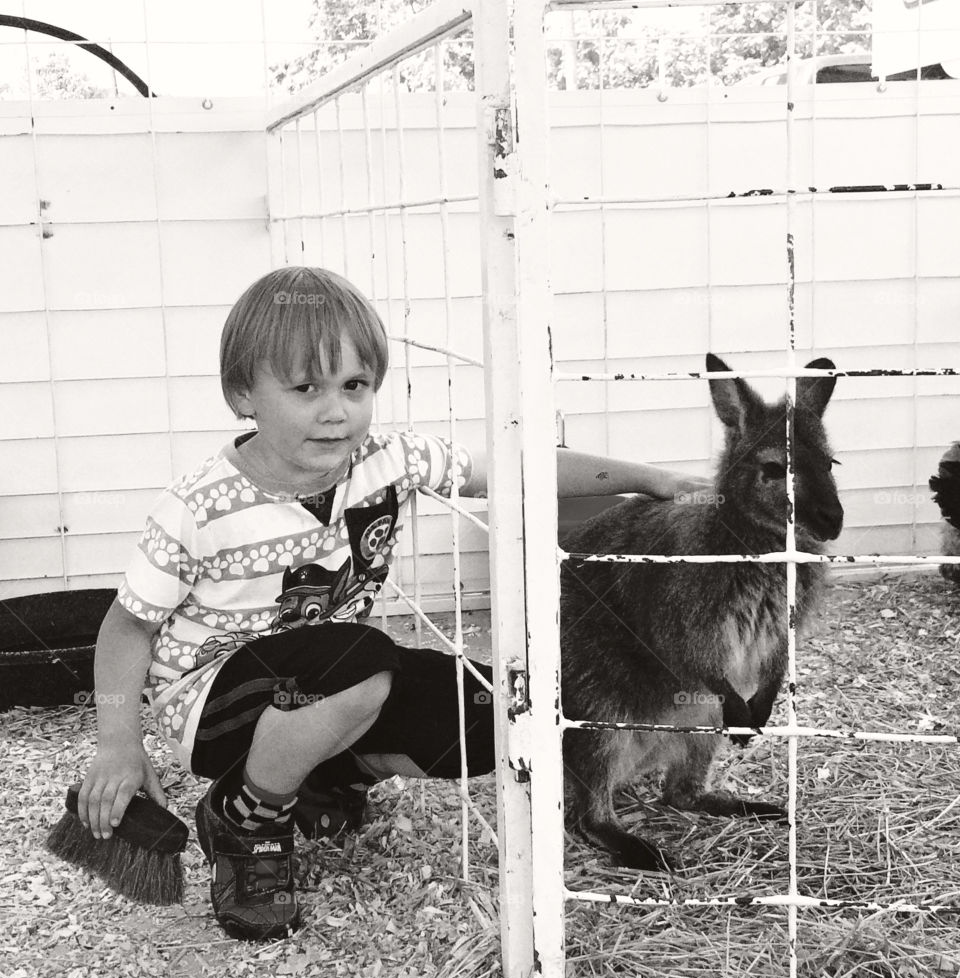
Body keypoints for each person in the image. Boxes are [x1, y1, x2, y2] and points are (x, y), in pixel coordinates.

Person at [76, 265, 705, 942]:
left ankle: (319, 779)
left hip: (321, 673)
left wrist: (650, 480)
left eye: (355, 385)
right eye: (305, 387)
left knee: (486, 712)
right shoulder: (200, 506)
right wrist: (118, 740)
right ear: (242, 395)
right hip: (212, 700)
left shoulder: (388, 458)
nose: (335, 410)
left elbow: (517, 466)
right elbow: (126, 626)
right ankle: (245, 819)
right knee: (362, 659)